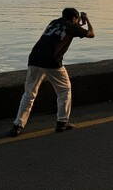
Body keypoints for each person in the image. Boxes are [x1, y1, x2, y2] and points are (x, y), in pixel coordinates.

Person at [9, 8, 95, 137]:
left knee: (29, 94)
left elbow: (67, 29)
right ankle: (62, 122)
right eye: (76, 19)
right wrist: (86, 19)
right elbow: (91, 34)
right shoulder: (72, 27)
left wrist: (77, 23)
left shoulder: (53, 22)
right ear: (73, 19)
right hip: (52, 62)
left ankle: (18, 125)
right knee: (64, 91)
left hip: (34, 59)